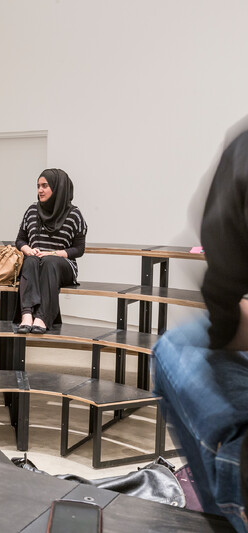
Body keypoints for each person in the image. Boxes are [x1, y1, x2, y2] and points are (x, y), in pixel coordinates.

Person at [153, 128, 248, 532]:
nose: (41, 191)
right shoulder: (33, 216)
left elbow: (223, 312)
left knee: (174, 347)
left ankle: (225, 510)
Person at [14, 168, 87, 334]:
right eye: (38, 186)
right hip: (35, 263)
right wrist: (28, 250)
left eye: (45, 186)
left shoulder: (74, 214)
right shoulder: (32, 211)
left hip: (62, 265)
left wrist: (53, 253)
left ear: (58, 187)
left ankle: (43, 317)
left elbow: (79, 249)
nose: (40, 190)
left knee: (48, 262)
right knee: (31, 260)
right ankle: (26, 315)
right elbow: (20, 240)